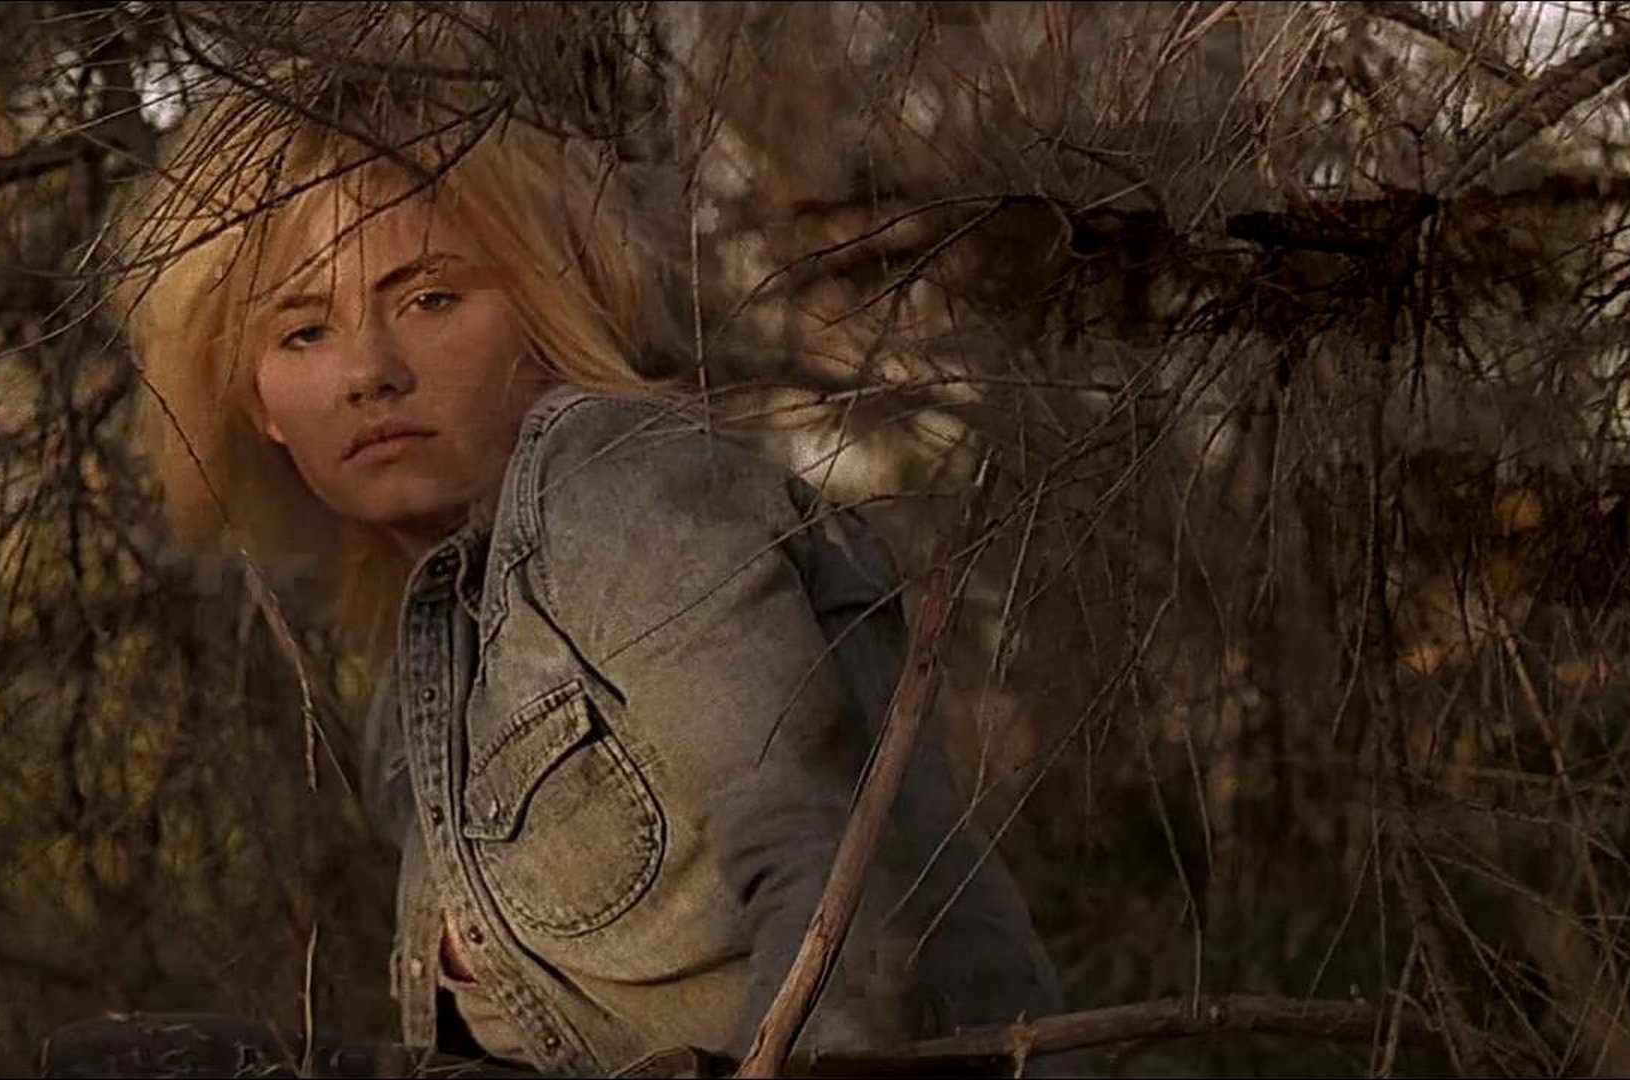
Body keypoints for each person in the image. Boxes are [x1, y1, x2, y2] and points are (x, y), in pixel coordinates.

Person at [91, 75, 1065, 1077]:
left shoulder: (613, 482)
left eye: (429, 299)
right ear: (257, 402)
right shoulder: (416, 699)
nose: (370, 370)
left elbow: (825, 884)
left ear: (541, 310)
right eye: (303, 331)